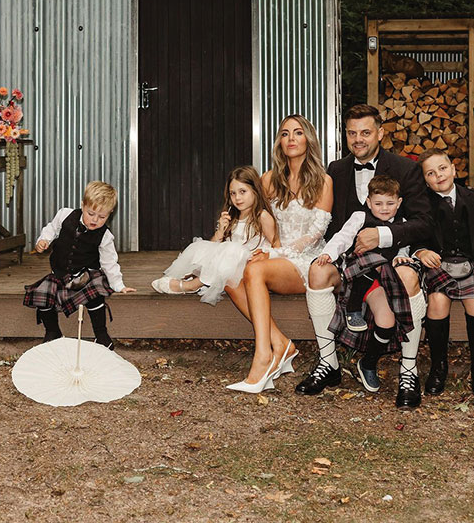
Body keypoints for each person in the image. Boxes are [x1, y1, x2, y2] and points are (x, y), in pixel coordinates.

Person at [298, 104, 431, 409]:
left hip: (393, 258)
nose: (358, 139)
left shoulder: (405, 169)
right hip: (350, 261)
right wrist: (327, 252)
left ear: (380, 133)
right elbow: (331, 223)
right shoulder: (336, 170)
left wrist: (381, 236)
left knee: (409, 276)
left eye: (366, 132)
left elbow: (424, 223)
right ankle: (329, 363)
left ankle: (408, 370)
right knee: (317, 272)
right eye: (352, 133)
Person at [223, 114, 333, 393]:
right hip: (274, 254)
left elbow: (315, 234)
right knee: (230, 276)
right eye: (285, 133)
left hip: (307, 260)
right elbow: (254, 216)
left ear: (309, 139)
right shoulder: (269, 179)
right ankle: (281, 343)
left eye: (298, 132)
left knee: (254, 269)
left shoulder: (323, 181)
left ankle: (263, 356)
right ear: (279, 142)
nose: (291, 138)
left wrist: (274, 254)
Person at [402, 149, 474, 397]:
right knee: (437, 301)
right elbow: (413, 235)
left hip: (471, 263)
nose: (438, 176)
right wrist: (421, 251)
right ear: (425, 181)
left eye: (442, 169)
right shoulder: (422, 203)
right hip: (438, 265)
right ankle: (438, 367)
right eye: (431, 173)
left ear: (454, 169)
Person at [312, 175, 417, 400]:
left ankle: (368, 362)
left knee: (387, 323)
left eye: (390, 203)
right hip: (357, 271)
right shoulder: (360, 216)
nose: (384, 208)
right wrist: (328, 254)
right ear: (369, 202)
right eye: (378, 203)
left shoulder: (402, 223)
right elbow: (342, 237)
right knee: (370, 261)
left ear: (399, 202)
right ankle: (352, 308)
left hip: (382, 279)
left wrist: (400, 257)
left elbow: (403, 247)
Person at [22, 181, 135, 349]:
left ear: (110, 213)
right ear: (83, 205)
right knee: (42, 294)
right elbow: (51, 229)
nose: (95, 220)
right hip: (59, 273)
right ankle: (53, 332)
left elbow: (109, 262)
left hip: (86, 274)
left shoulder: (105, 236)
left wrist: (119, 285)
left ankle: (101, 335)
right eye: (91, 213)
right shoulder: (65, 215)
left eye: (102, 217)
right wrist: (43, 240)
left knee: (96, 292)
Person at [152, 165, 279, 305]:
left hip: (247, 267)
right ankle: (195, 277)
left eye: (243, 192)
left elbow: (276, 245)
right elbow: (214, 247)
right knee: (201, 246)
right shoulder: (232, 215)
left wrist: (265, 257)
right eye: (233, 193)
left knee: (232, 249)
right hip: (227, 266)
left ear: (255, 190)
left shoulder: (262, 216)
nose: (237, 198)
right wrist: (220, 232)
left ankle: (193, 285)